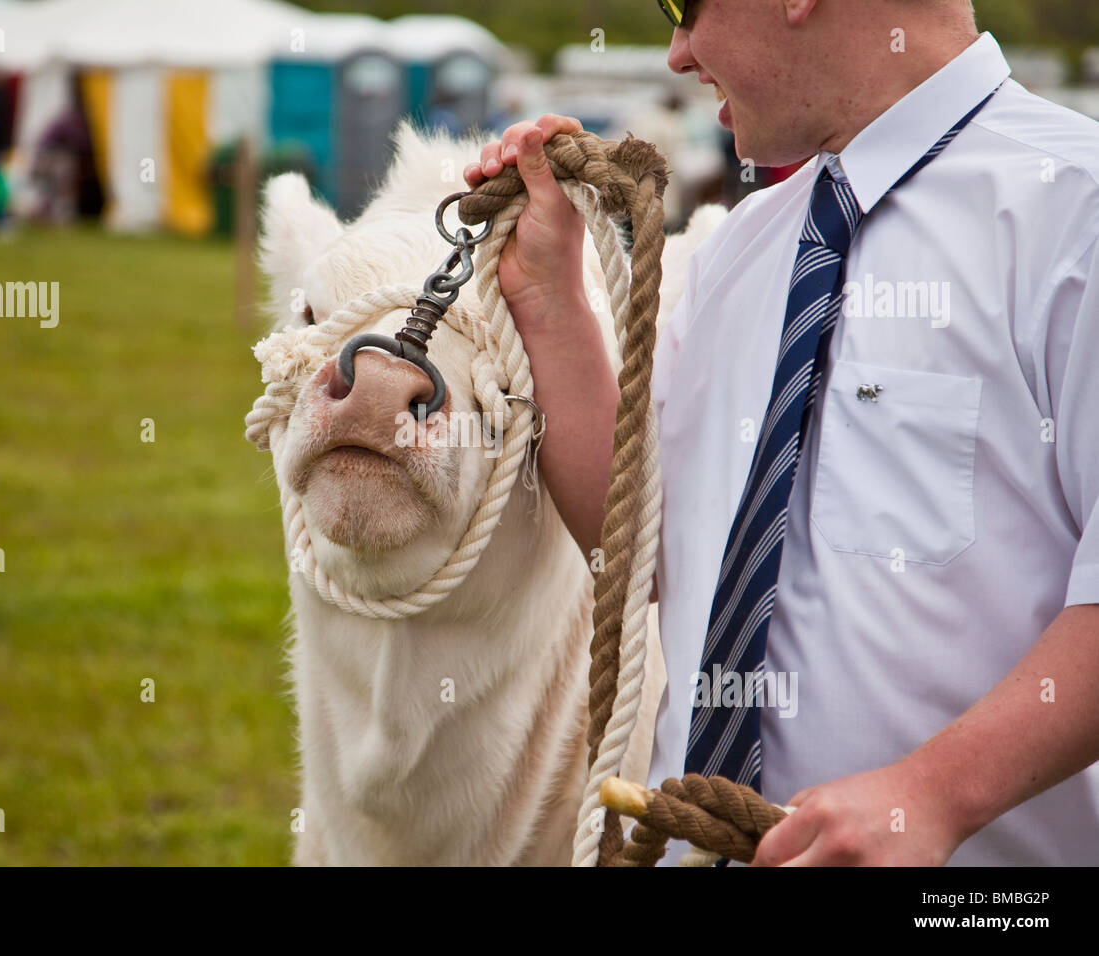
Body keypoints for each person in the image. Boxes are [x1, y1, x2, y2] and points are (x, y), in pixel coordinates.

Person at [463, 0, 1099, 865]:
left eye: (683, 8)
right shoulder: (746, 244)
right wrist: (546, 298)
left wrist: (931, 797)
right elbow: (646, 549)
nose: (679, 54)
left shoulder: (1079, 213)